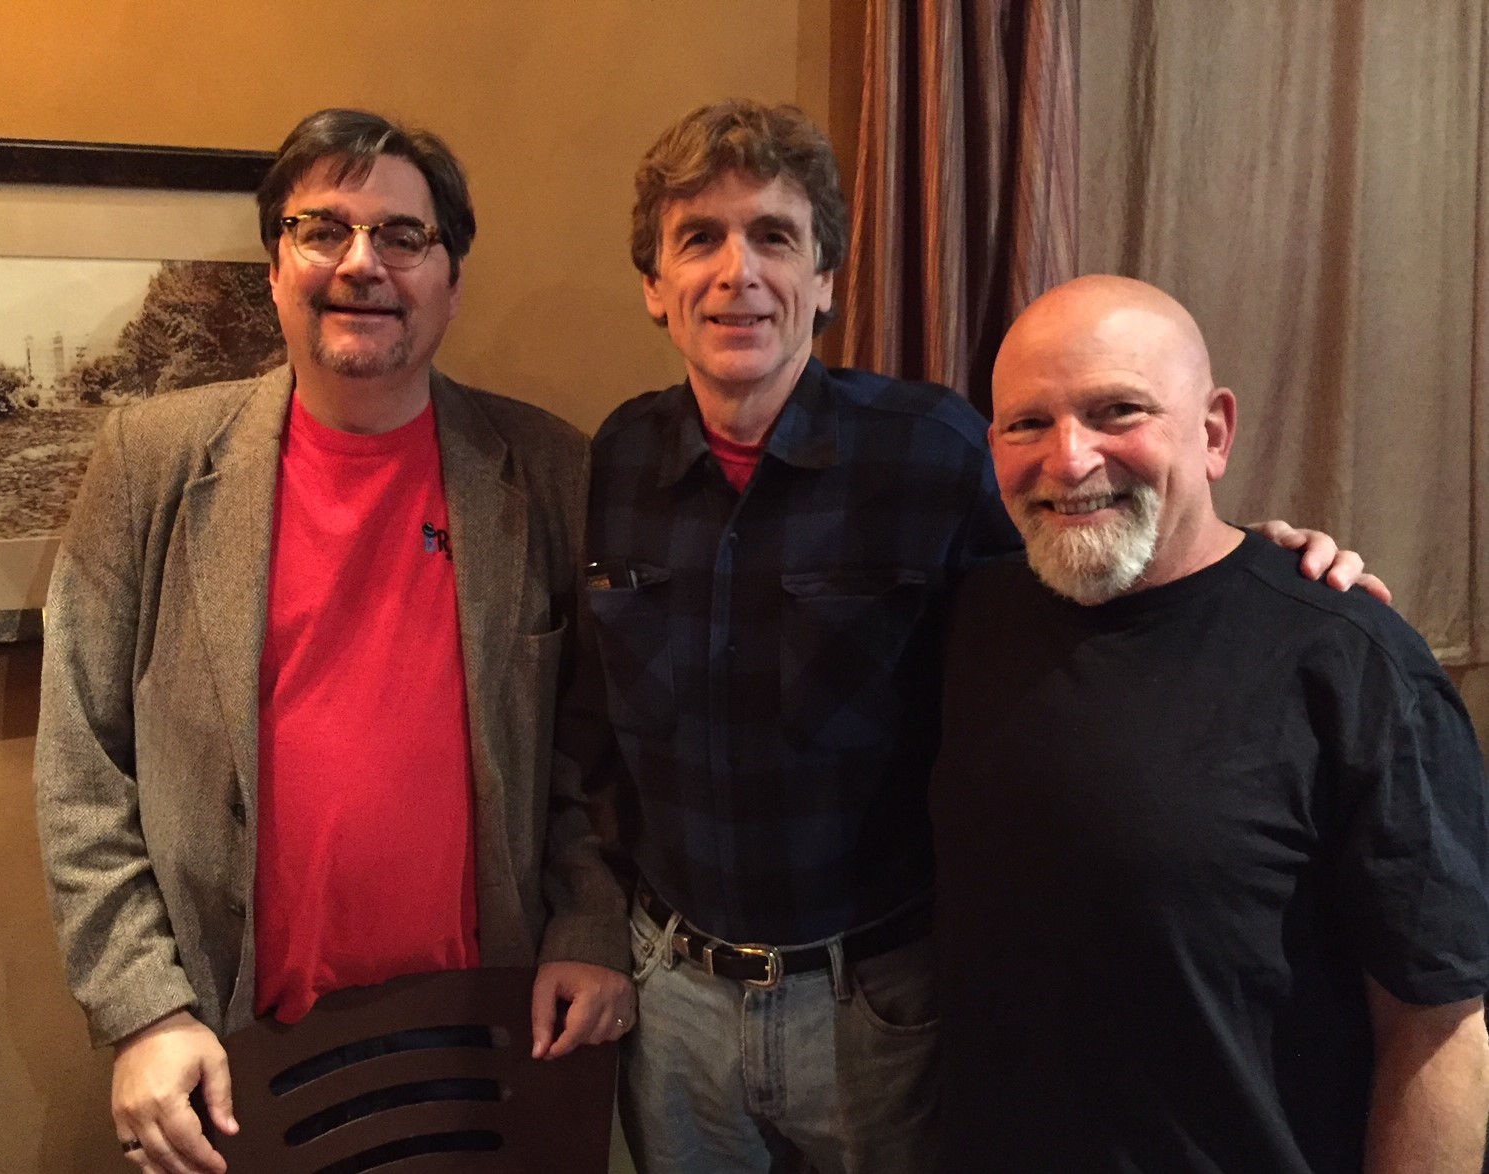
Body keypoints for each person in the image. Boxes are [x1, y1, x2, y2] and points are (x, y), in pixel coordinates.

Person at [582, 100, 1383, 1174]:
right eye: (700, 240)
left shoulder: (932, 449)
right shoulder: (616, 457)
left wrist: (1274, 562)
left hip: (875, 1003)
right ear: (653, 286)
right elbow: (581, 723)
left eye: (775, 236)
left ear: (825, 282)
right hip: (669, 995)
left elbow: (1100, 566)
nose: (738, 272)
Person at [34, 108, 634, 1174]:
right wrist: (142, 1008)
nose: (362, 263)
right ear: (276, 266)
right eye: (324, 229)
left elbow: (590, 754)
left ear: (449, 277)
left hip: (488, 1039)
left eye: (402, 236)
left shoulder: (546, 472)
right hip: (231, 1050)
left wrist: (588, 926)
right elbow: (83, 762)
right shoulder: (151, 463)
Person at [932, 274, 1489, 1172]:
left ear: (1214, 431)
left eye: (1117, 411)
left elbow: (1439, 1020)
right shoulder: (967, 618)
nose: (1069, 460)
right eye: (1026, 423)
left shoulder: (1350, 662)